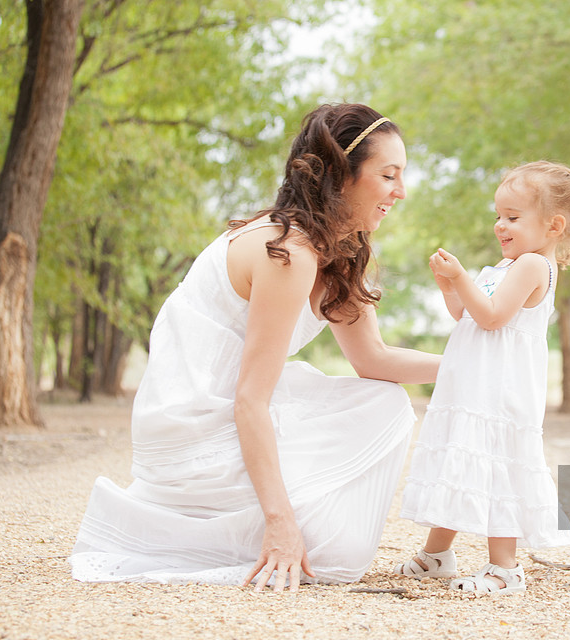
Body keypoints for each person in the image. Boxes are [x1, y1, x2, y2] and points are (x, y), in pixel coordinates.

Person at [70, 103, 440, 592]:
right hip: (196, 421)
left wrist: (474, 363)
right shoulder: (287, 250)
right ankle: (230, 530)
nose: (400, 191)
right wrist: (281, 525)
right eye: (388, 175)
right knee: (330, 559)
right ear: (340, 176)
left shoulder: (337, 250)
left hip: (235, 404)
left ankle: (241, 528)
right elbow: (249, 399)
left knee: (385, 405)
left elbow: (374, 359)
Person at [394, 161, 570, 595]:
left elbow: (492, 317)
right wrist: (451, 288)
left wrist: (461, 277)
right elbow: (466, 315)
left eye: (514, 217)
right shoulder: (505, 268)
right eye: (499, 215)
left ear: (554, 225)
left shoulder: (532, 267)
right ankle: (437, 554)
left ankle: (504, 568)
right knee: (461, 459)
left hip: (501, 393)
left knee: (498, 466)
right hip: (476, 388)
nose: (500, 225)